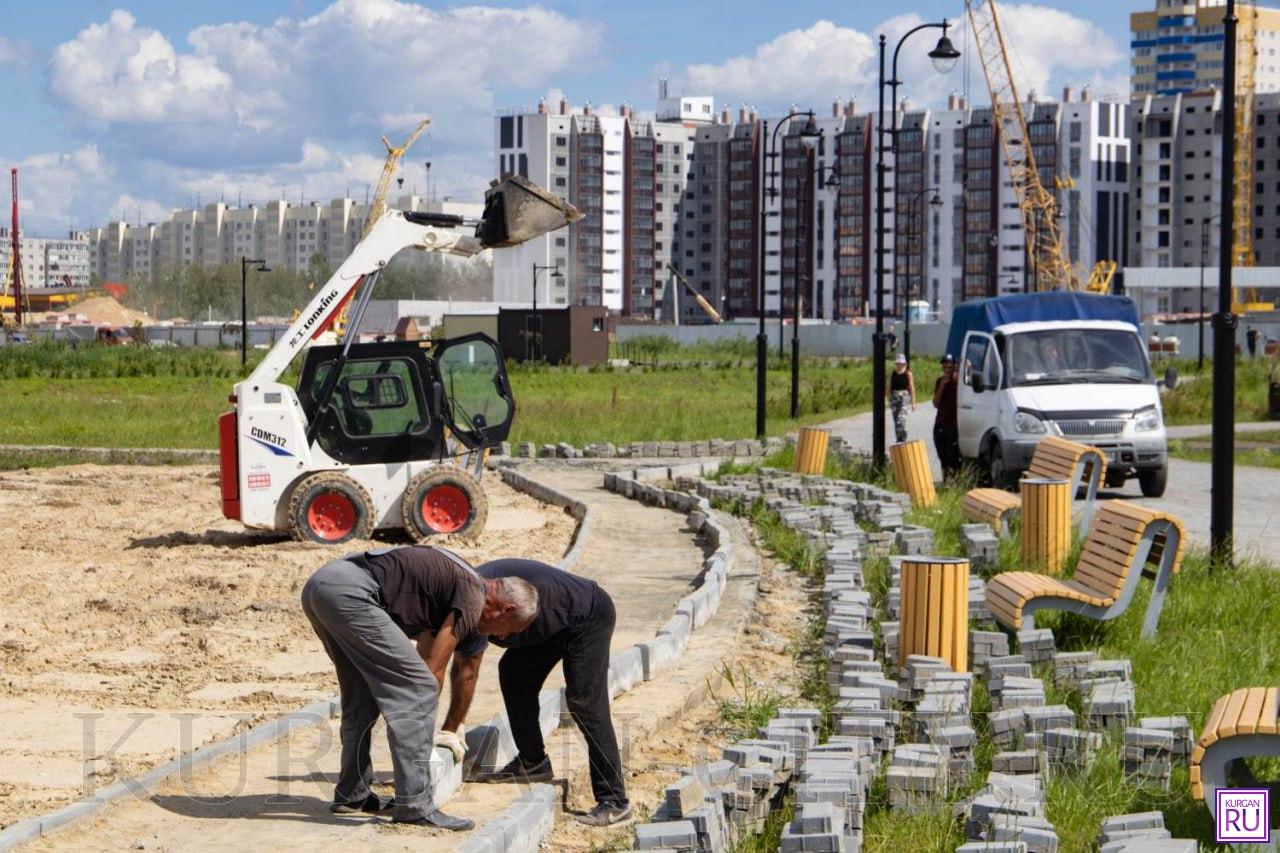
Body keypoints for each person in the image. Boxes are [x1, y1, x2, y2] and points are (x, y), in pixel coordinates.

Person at [300, 545, 538, 830]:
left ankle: (353, 794)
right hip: (352, 593)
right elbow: (429, 675)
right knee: (418, 687)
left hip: (323, 586)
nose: (502, 636)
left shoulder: (461, 582)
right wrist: (423, 725)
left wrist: (415, 713)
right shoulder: (474, 596)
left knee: (362, 696)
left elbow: (424, 661)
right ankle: (415, 805)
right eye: (510, 628)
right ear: (505, 608)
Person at [446, 558, 632, 827]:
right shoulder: (469, 596)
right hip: (554, 621)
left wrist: (451, 728)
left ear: (500, 610)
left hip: (588, 615)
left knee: (586, 704)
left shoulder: (475, 604)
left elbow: (467, 670)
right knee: (514, 672)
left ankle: (615, 800)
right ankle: (533, 763)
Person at [932, 353, 961, 479]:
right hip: (940, 422)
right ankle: (946, 479)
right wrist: (942, 386)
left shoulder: (959, 381)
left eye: (950, 366)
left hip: (953, 424)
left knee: (952, 454)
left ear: (955, 366)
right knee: (941, 453)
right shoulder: (940, 381)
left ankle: (952, 479)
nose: (947, 369)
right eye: (945, 366)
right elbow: (935, 403)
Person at [888, 353, 916, 443]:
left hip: (904, 397)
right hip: (894, 397)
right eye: (897, 363)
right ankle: (899, 440)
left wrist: (913, 403)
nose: (899, 365)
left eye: (901, 363)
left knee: (901, 419)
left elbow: (912, 388)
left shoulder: (908, 374)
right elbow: (888, 386)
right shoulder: (893, 374)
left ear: (904, 364)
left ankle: (903, 437)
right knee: (896, 421)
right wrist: (887, 398)